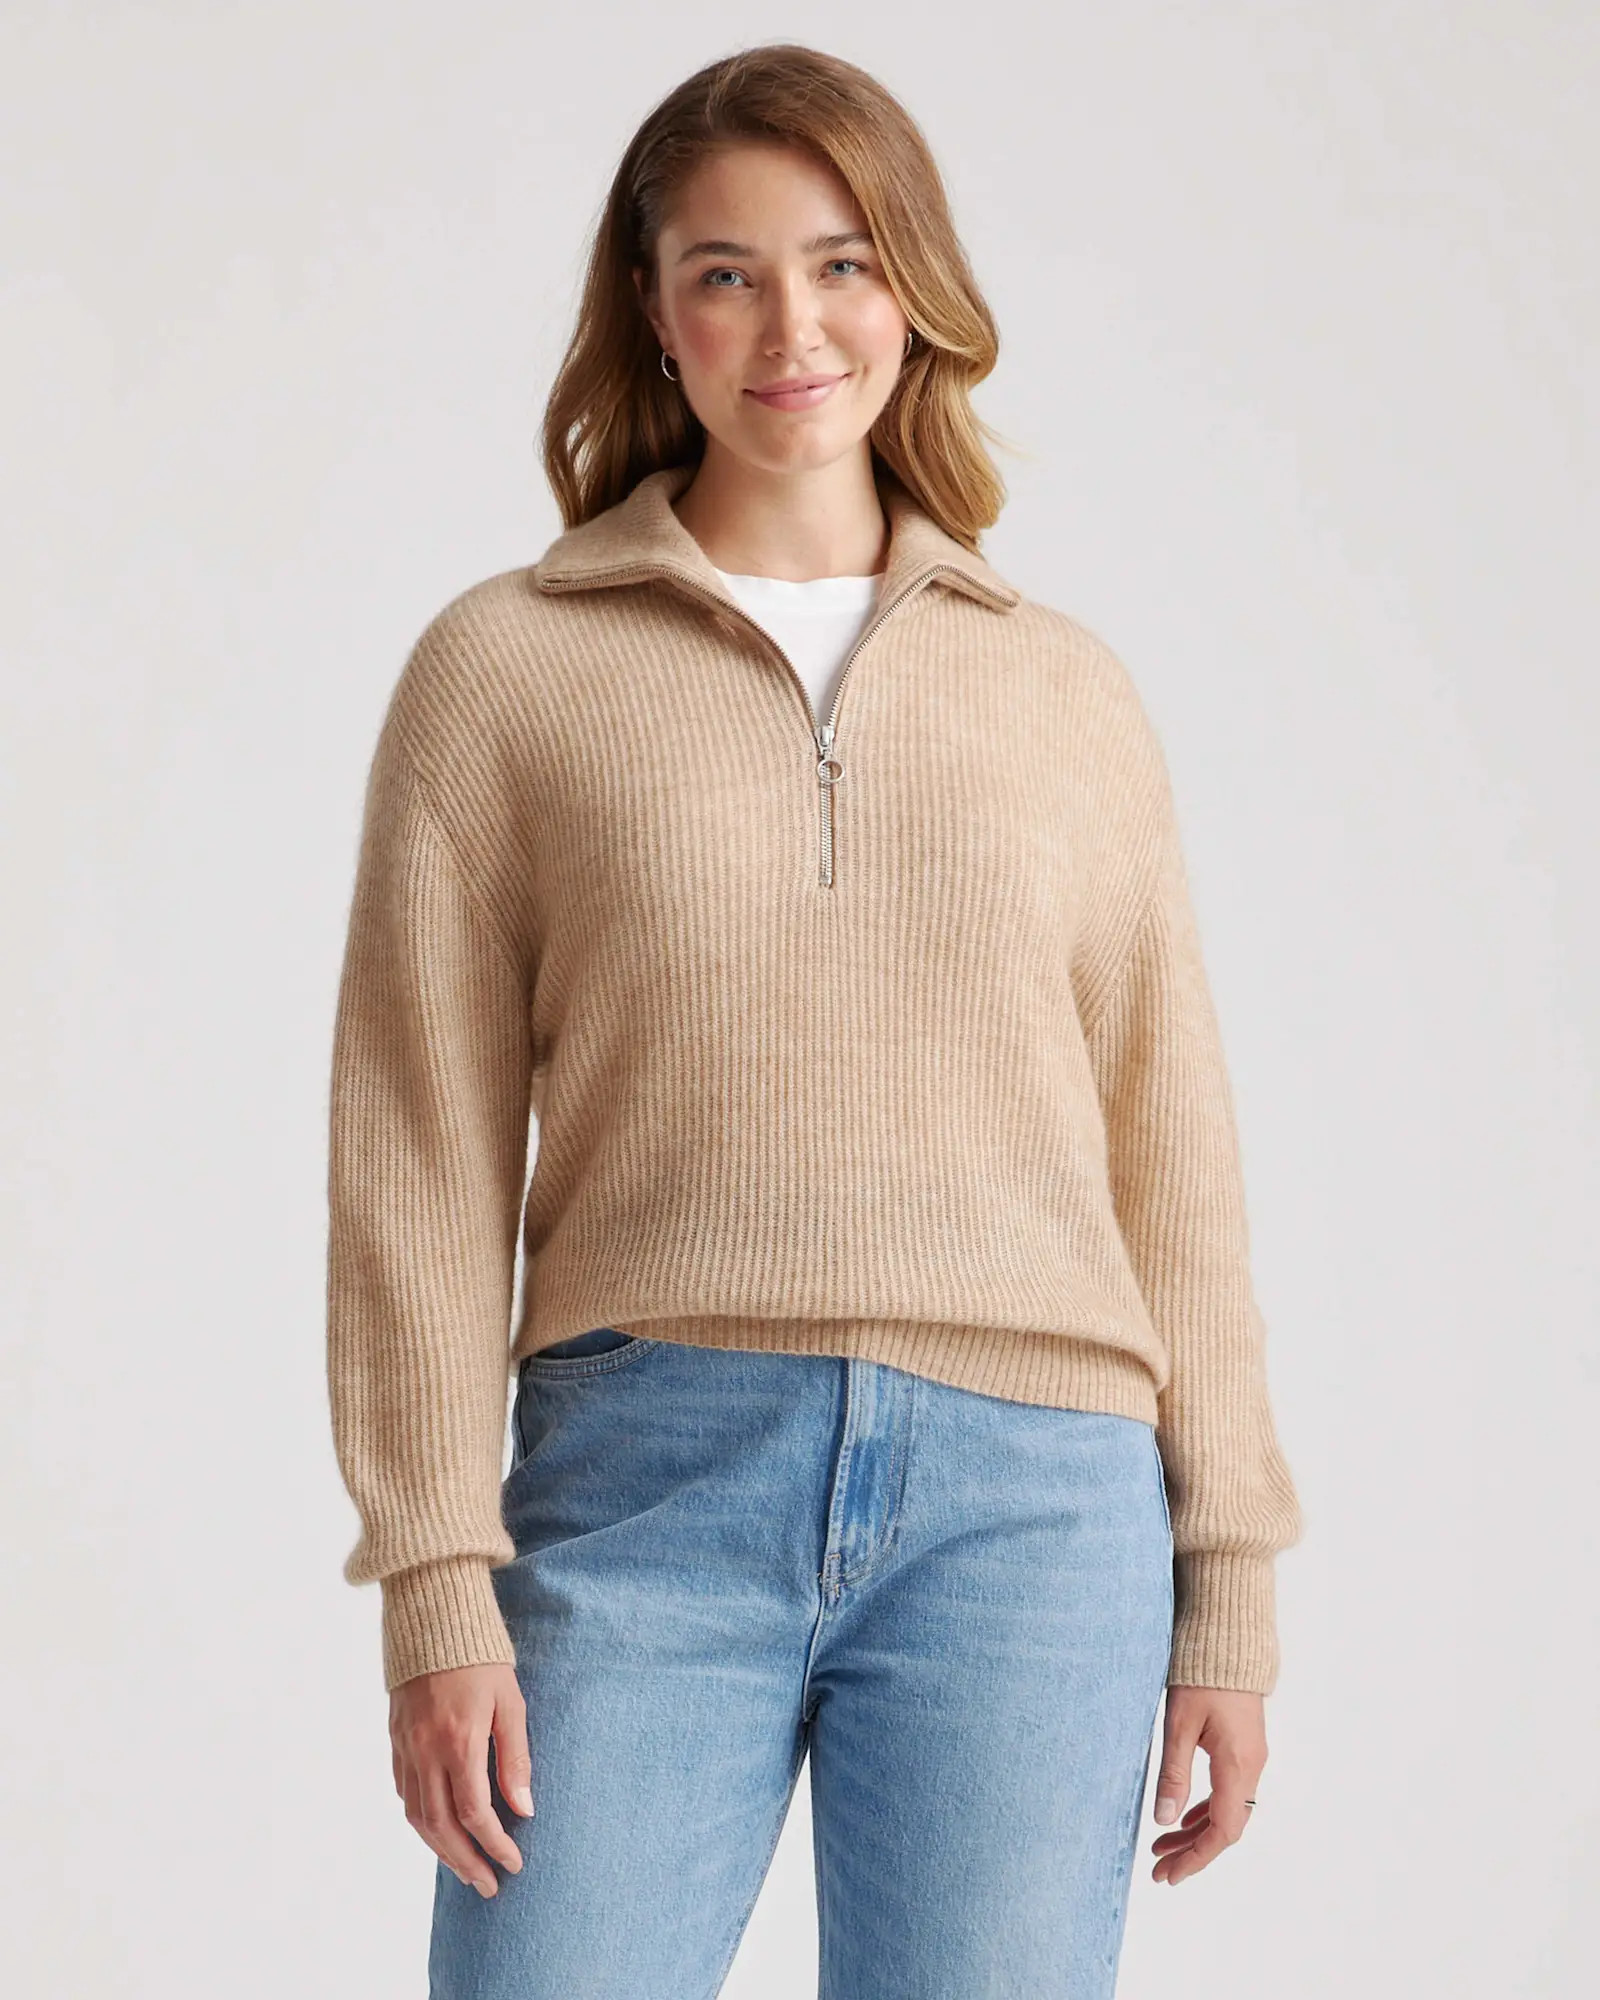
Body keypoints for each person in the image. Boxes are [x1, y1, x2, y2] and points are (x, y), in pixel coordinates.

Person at [324, 41, 1304, 2000]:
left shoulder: (1062, 693)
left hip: (1034, 1506)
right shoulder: (506, 671)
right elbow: (418, 1152)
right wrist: (435, 1574)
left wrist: (1230, 1585)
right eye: (727, 272)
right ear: (650, 310)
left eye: (844, 262)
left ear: (913, 291)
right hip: (645, 1472)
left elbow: (1171, 1145)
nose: (794, 326)